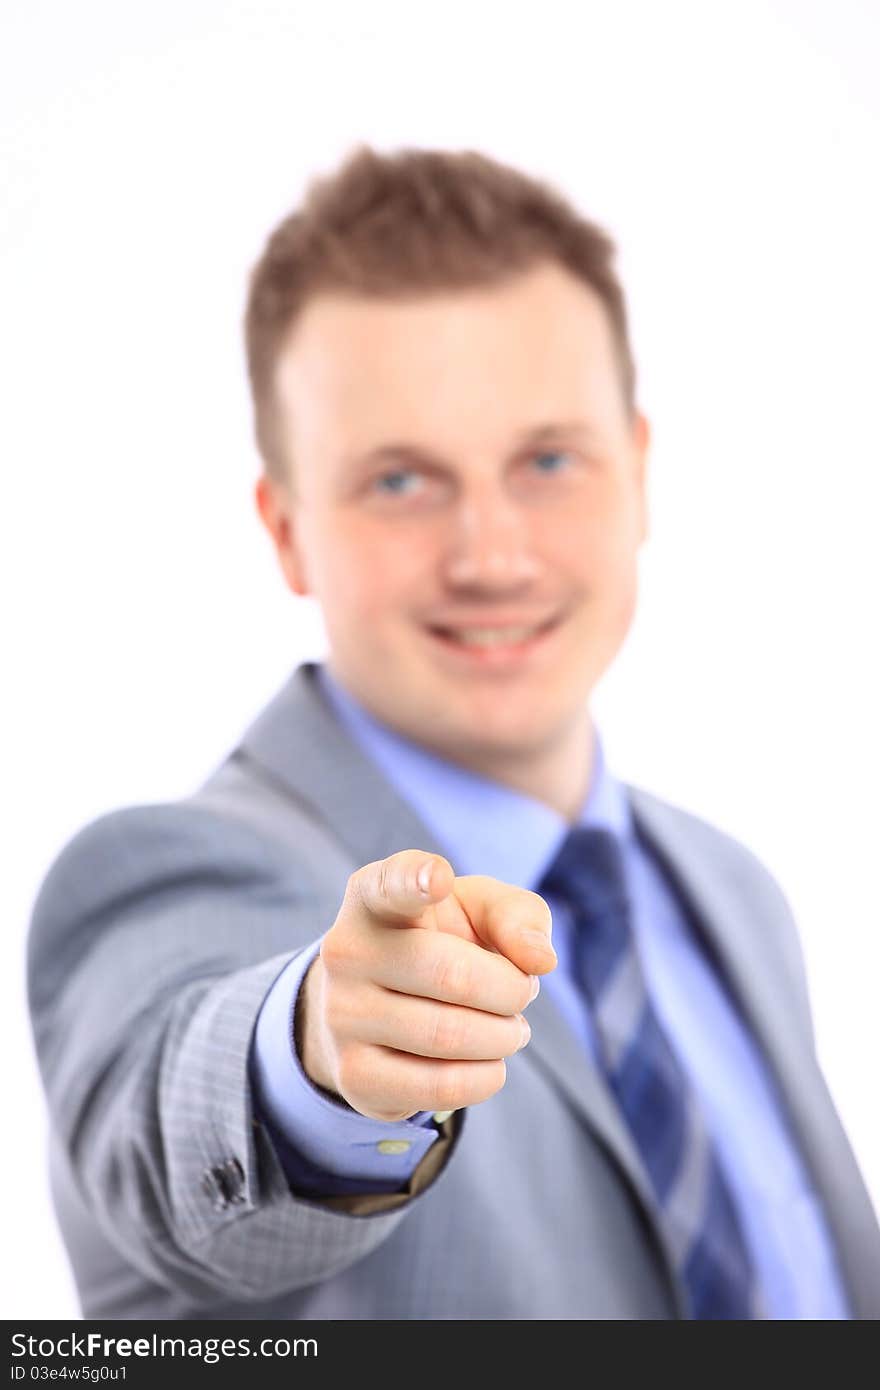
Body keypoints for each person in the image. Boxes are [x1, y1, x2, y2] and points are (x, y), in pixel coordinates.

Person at [27, 144, 880, 1321]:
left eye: (545, 459)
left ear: (636, 472)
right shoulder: (173, 876)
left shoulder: (734, 891)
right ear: (285, 530)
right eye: (399, 481)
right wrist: (321, 1060)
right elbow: (175, 1108)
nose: (491, 555)